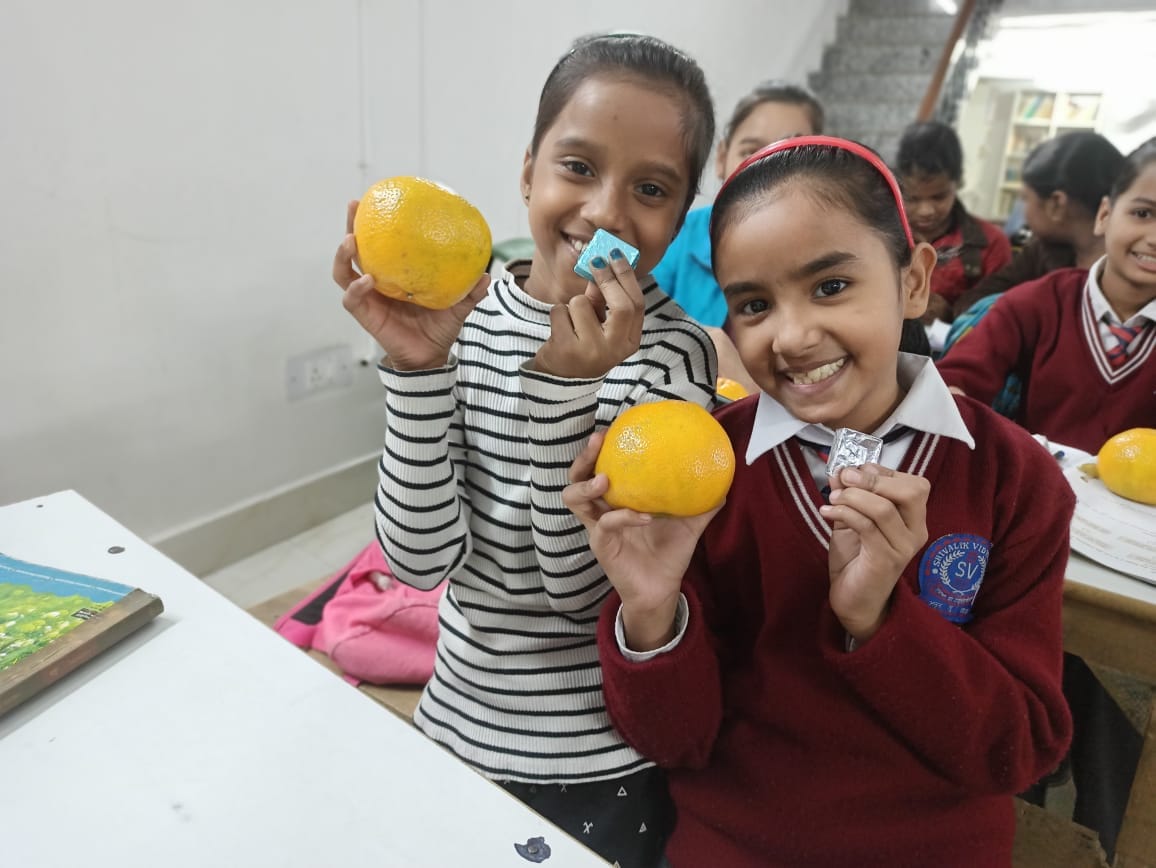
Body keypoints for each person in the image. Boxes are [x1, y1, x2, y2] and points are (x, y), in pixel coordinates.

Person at [564, 136, 1074, 867]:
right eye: (754, 304)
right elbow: (676, 743)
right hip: (734, 848)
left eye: (831, 286)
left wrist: (879, 621)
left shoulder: (1012, 476)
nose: (794, 336)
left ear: (913, 281)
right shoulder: (703, 470)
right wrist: (650, 612)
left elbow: (1017, 751)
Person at [332, 33, 717, 868]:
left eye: (650, 188)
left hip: (600, 766)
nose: (606, 212)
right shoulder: (459, 321)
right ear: (528, 173)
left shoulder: (673, 356)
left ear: (682, 212)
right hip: (452, 729)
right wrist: (417, 371)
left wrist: (565, 391)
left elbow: (583, 593)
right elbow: (418, 562)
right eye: (577, 167)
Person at [937, 137, 1156, 456]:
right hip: (1034, 480)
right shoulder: (1037, 303)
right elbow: (956, 380)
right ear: (1104, 215)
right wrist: (957, 406)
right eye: (1143, 213)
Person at [651, 81, 824, 328]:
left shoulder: (829, 247)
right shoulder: (674, 238)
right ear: (722, 158)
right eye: (750, 151)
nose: (767, 169)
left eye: (791, 153)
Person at [951, 131, 1126, 320]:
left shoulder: (1129, 270)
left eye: (1025, 198)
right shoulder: (1043, 251)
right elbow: (975, 302)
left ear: (1056, 204)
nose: (1023, 212)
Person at [893, 121, 1012, 324]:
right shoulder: (881, 236)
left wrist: (952, 315)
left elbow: (1000, 315)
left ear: (958, 183)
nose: (926, 211)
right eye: (912, 198)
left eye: (939, 197)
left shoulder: (990, 243)